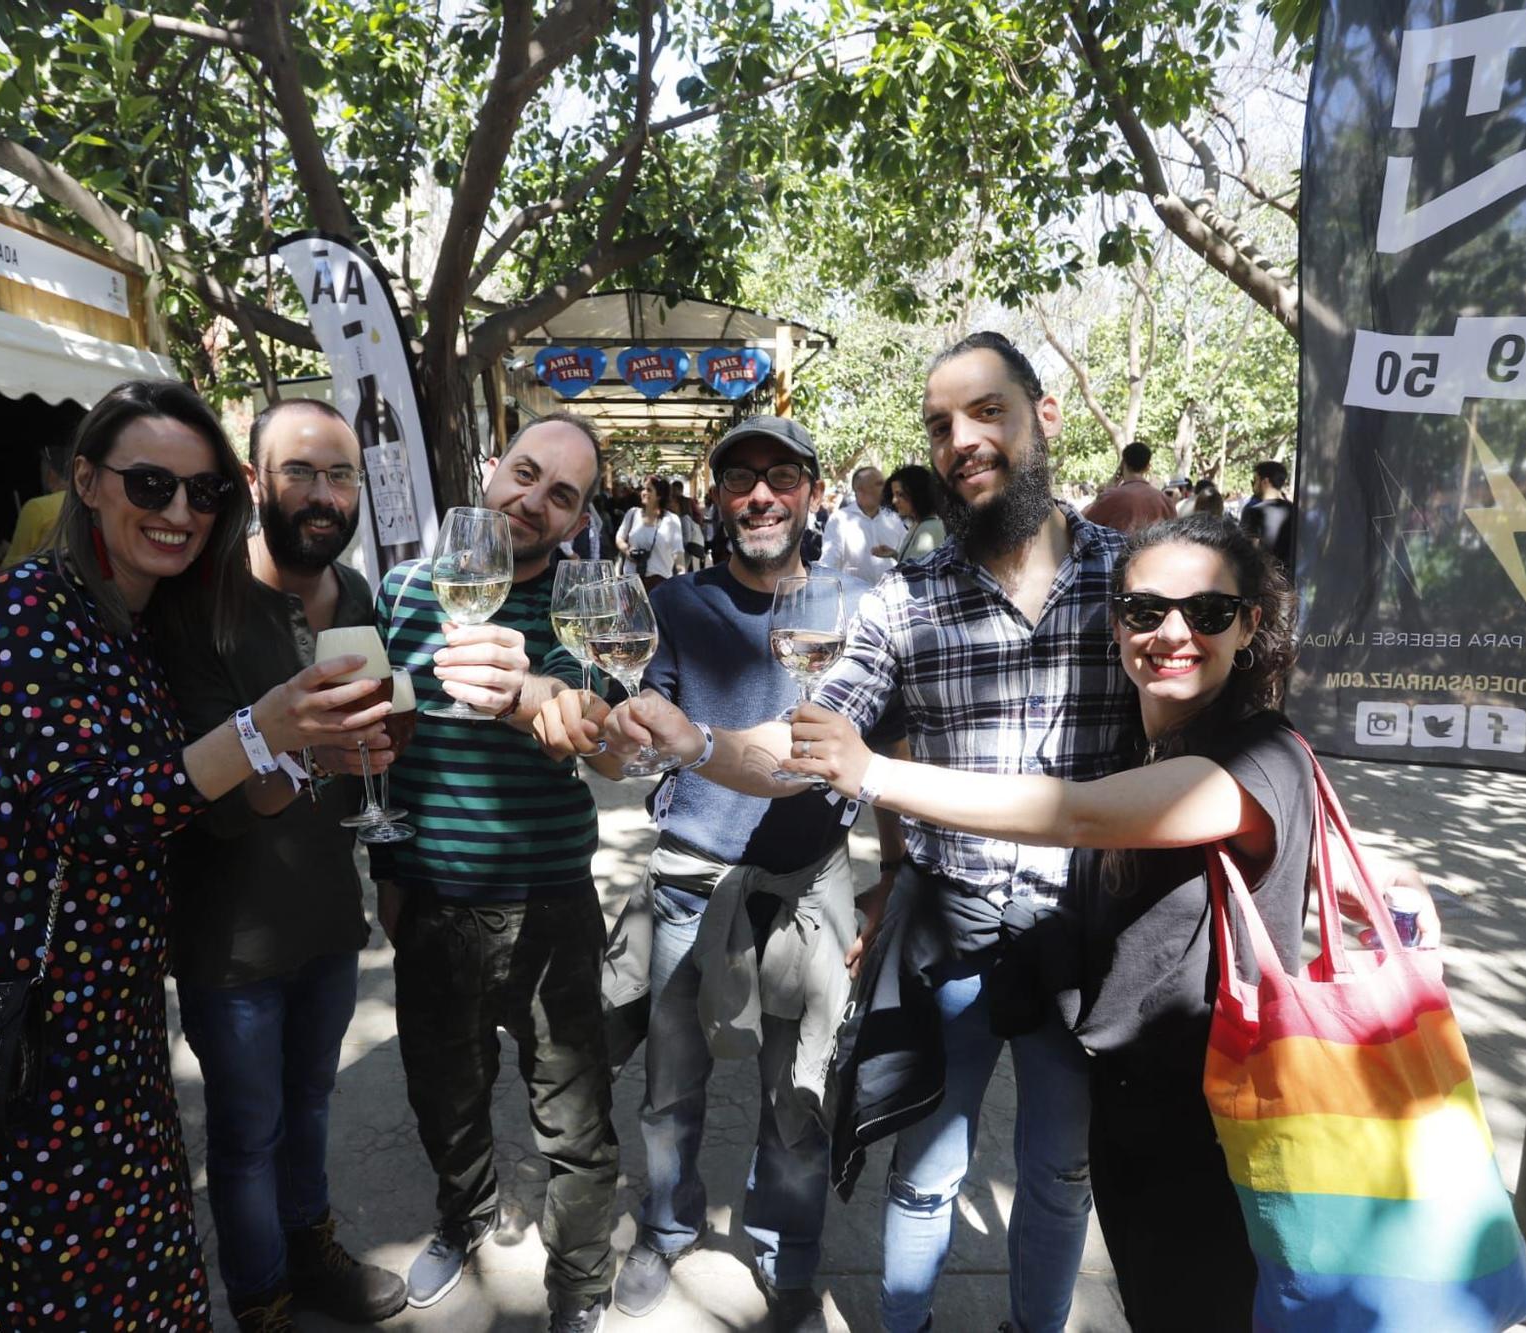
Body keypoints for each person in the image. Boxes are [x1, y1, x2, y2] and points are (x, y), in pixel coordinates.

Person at [779, 514, 1442, 1329]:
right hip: (1139, 1118)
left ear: (1249, 624)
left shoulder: (1255, 754)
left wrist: (874, 772)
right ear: (1114, 620)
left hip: (1213, 1136)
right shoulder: (1151, 739)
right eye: (1143, 611)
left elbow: (1081, 817)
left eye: (1206, 612)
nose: (1172, 632)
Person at [604, 331, 1129, 1333]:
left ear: (1045, 416)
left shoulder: (1131, 585)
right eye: (939, 426)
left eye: (986, 414)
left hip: (1084, 938)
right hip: (953, 931)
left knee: (1059, 1173)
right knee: (923, 1171)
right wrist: (694, 739)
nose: (962, 440)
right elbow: (801, 745)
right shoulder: (904, 603)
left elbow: (1218, 723)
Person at [0, 380, 393, 1330]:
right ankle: (264, 1294)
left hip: (117, 1003)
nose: (178, 511)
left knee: (136, 1266)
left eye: (200, 492)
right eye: (150, 485)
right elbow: (87, 817)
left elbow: (194, 790)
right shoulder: (29, 611)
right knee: (50, 1281)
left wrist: (299, 757)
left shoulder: (132, 619)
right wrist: (264, 731)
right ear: (86, 482)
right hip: (32, 1014)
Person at [532, 415, 894, 1333]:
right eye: (740, 479)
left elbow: (887, 747)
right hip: (694, 881)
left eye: (781, 476)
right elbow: (632, 746)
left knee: (800, 1096)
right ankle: (663, 1226)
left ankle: (788, 1251)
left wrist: (892, 873)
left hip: (812, 885)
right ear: (717, 497)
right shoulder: (678, 606)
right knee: (669, 1089)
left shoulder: (859, 606)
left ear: (812, 491)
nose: (761, 495)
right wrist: (599, 733)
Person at [159, 399, 407, 1331]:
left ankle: (313, 1250)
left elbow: (381, 739)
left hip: (325, 914)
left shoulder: (357, 595)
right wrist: (309, 752)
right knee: (247, 1128)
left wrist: (388, 771)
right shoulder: (201, 602)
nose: (323, 494)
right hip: (233, 930)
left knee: (310, 1102)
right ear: (256, 481)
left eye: (340, 475)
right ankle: (261, 1297)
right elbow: (216, 797)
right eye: (299, 472)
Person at [373, 413, 621, 1333]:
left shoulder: (580, 604)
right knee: (444, 1090)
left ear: (579, 516)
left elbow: (599, 722)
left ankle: (580, 1285)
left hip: (553, 897)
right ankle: (465, 1214)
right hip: (434, 897)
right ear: (490, 469)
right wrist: (390, 877)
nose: (535, 500)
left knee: (576, 1122)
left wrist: (539, 698)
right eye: (525, 473)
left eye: (563, 494)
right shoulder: (400, 590)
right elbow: (384, 741)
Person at [816, 464, 907, 583]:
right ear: (860, 490)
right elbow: (829, 564)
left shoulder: (893, 519)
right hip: (854, 598)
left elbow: (907, 556)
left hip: (892, 596)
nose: (886, 488)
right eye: (879, 483)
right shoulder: (840, 521)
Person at [1081, 441, 1176, 534]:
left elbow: (1081, 522)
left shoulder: (1110, 497)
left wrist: (1105, 493)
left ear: (1122, 464)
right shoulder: (1165, 501)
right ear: (1148, 467)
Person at [1, 443, 68, 565]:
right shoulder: (91, 501)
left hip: (49, 582)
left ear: (51, 475)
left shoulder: (38, 507)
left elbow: (10, 567)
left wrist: (8, 552)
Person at [617, 476, 684, 588]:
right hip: (631, 584)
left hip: (659, 584)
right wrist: (627, 551)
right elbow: (619, 538)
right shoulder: (632, 514)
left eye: (649, 490)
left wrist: (682, 580)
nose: (643, 492)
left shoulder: (671, 520)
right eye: (643, 489)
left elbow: (678, 553)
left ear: (659, 495)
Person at [1241, 459, 1297, 576]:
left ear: (1265, 481)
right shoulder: (1295, 511)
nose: (1253, 486)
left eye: (1255, 480)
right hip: (1290, 578)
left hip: (1264, 579)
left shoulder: (1254, 512)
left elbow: (1249, 549)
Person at [885, 464, 945, 563]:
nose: (894, 500)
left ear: (918, 494)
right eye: (893, 494)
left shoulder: (930, 528)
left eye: (900, 494)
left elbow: (918, 573)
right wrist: (895, 554)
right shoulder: (919, 524)